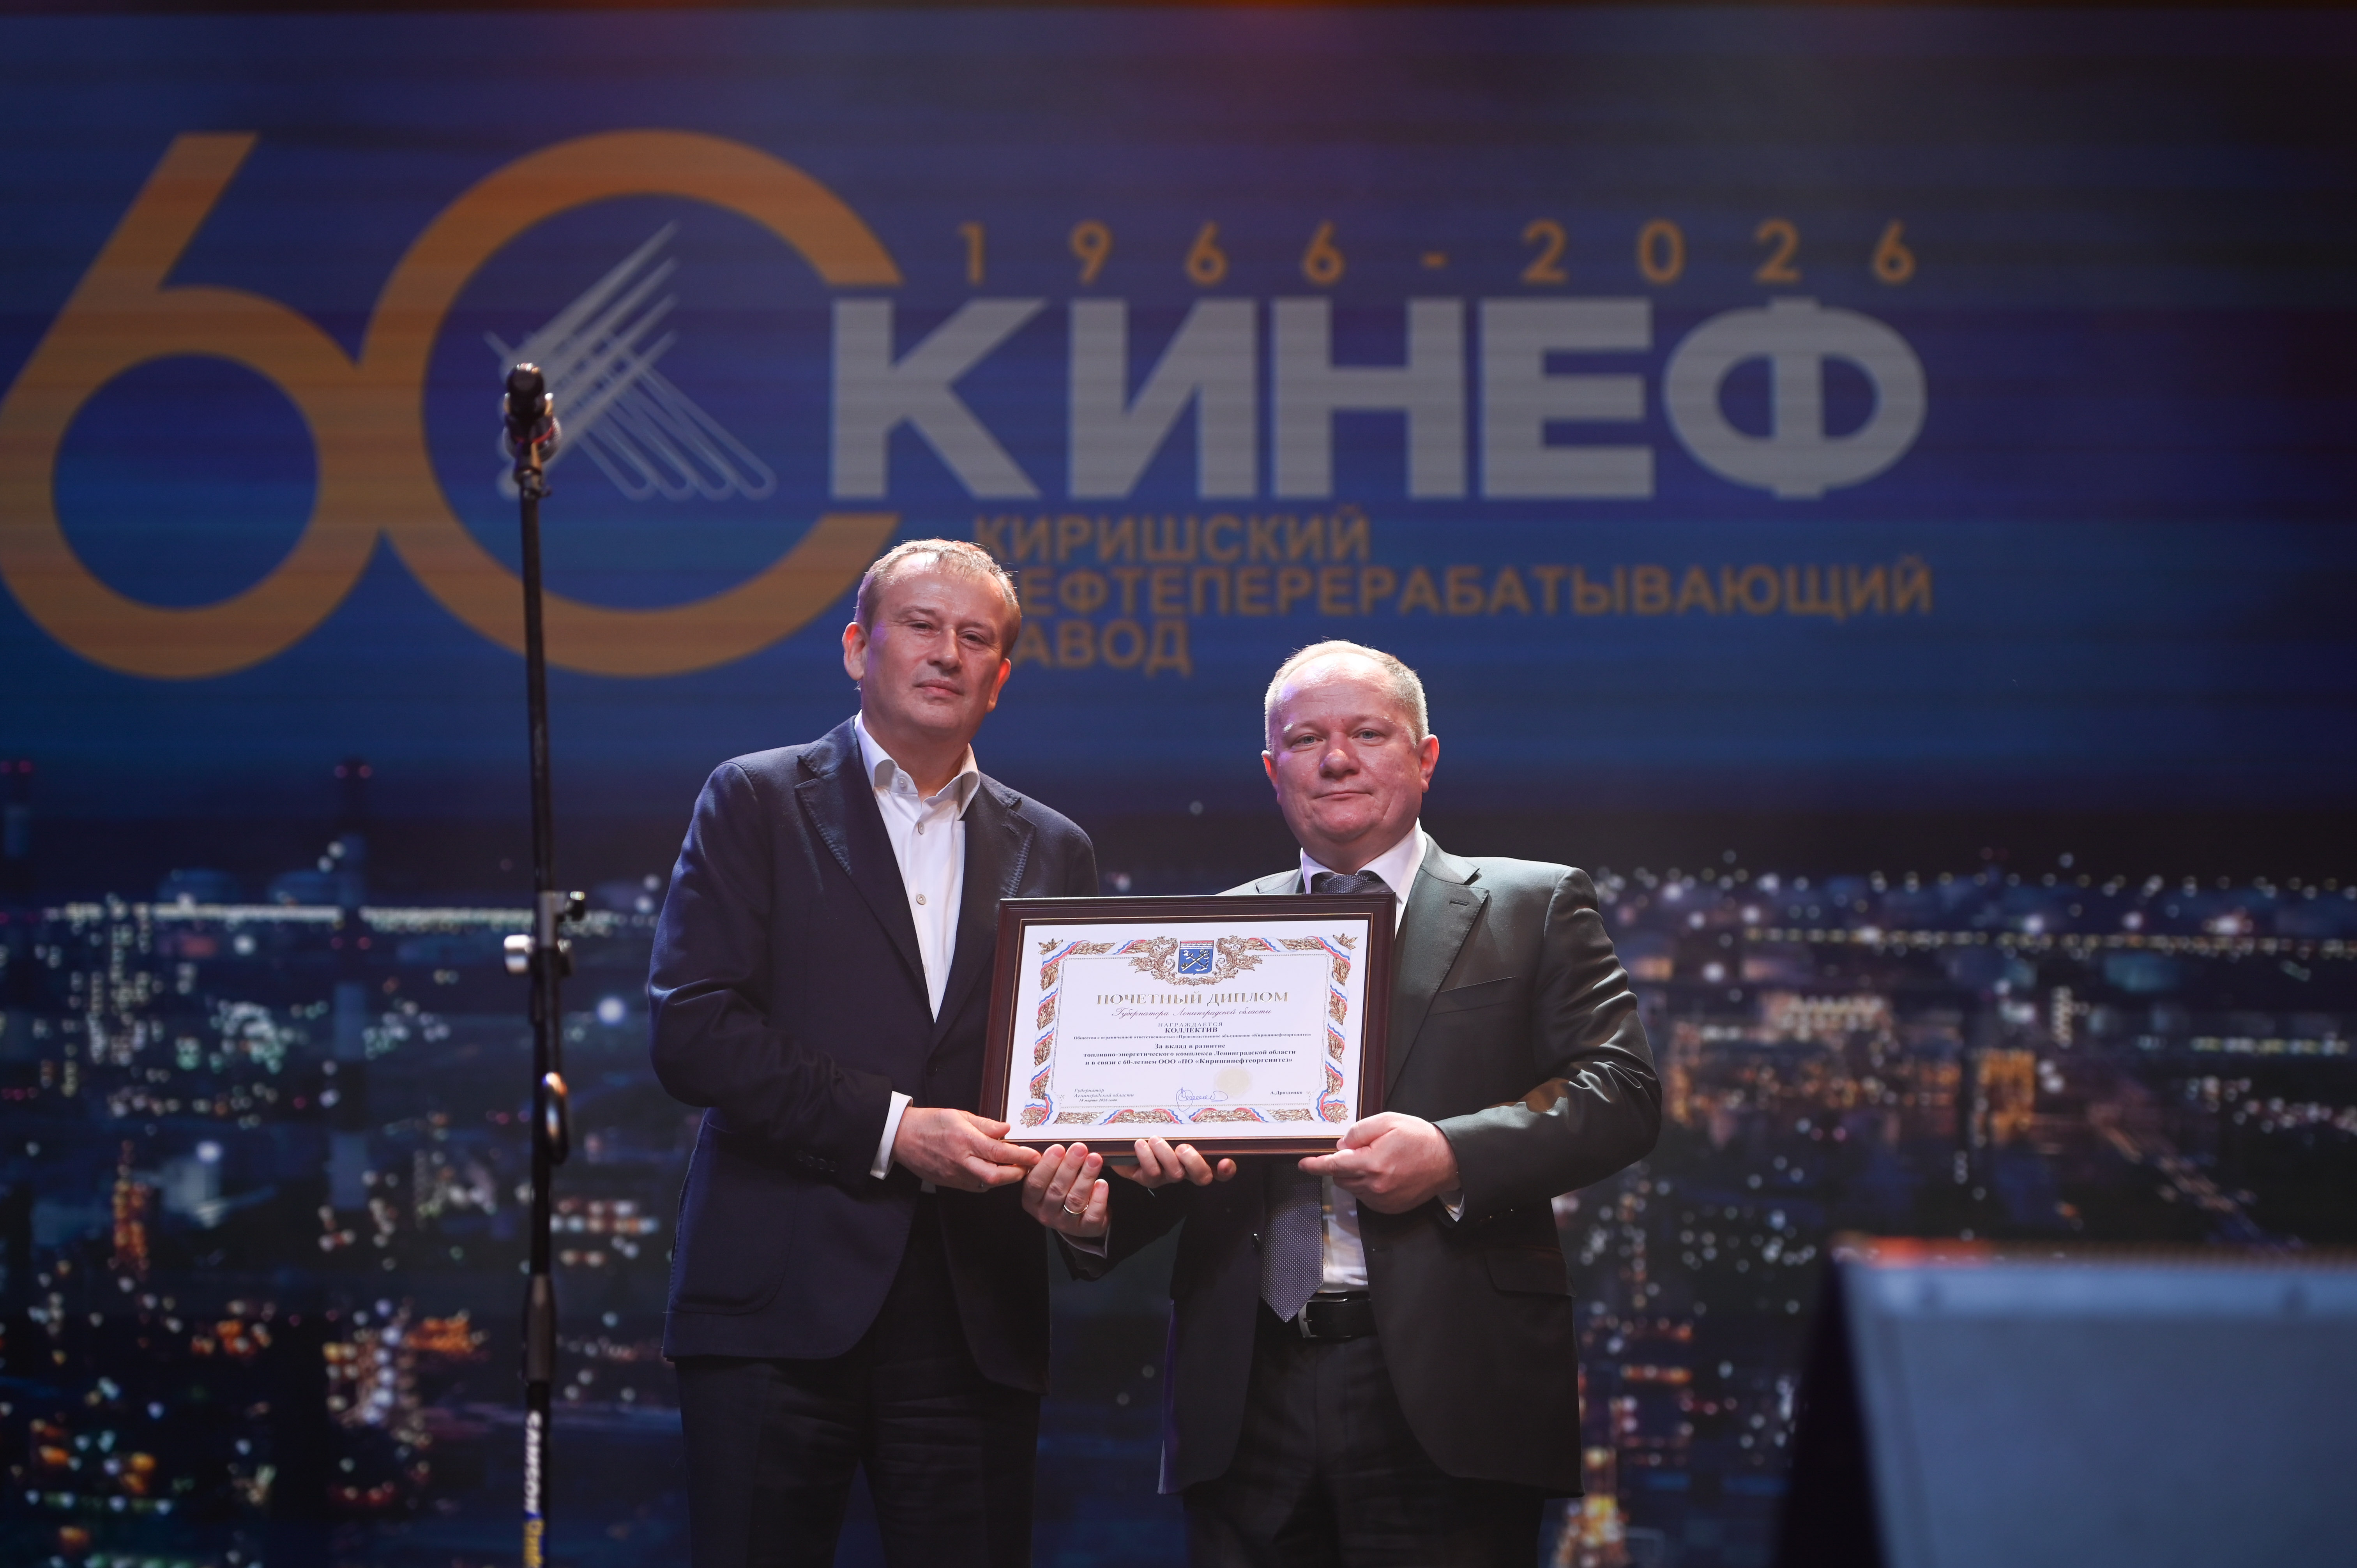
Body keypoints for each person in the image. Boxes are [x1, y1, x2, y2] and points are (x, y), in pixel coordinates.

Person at [1023, 638, 1660, 1566]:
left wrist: (1450, 1152)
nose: (1336, 759)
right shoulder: (1211, 932)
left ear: (1425, 757)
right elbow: (1190, 1151)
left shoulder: (1534, 902)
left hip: (1453, 1380)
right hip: (1246, 1390)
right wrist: (1096, 1211)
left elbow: (1623, 1091)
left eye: (1368, 733)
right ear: (1271, 769)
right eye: (1306, 738)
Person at [649, 538, 1097, 1568]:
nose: (947, 653)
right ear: (859, 648)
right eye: (922, 626)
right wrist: (896, 1130)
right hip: (775, 1302)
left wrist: (1098, 1170)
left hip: (974, 1314)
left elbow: (1068, 1075)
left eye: (975, 638)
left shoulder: (1056, 846)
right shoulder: (755, 798)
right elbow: (694, 1029)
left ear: (1000, 678)